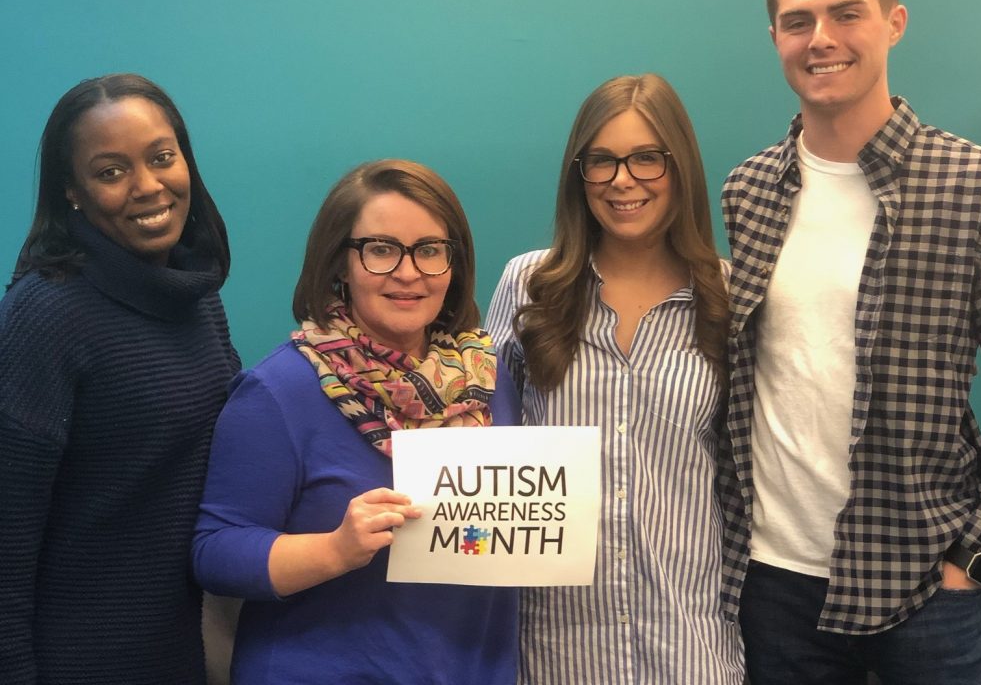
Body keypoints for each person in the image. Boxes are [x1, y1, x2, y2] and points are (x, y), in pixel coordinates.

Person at [721, 0, 981, 684]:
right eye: (800, 21)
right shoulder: (748, 191)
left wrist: (978, 547)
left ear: (894, 23)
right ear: (775, 35)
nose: (823, 40)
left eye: (848, 14)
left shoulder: (973, 186)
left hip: (927, 586)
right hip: (773, 585)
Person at [193, 159, 519, 685]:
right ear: (340, 264)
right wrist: (334, 549)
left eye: (430, 250)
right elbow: (216, 552)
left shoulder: (488, 382)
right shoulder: (279, 391)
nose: (409, 272)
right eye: (382, 249)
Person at [486, 73, 745, 684]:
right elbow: (484, 447)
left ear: (680, 167)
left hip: (689, 642)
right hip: (550, 647)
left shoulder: (728, 296)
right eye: (600, 161)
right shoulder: (529, 286)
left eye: (646, 158)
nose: (622, 180)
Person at [0, 73, 241, 685]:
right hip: (77, 660)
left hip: (182, 649)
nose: (148, 186)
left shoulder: (194, 295)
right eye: (111, 171)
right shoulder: (44, 315)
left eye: (162, 157)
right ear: (72, 192)